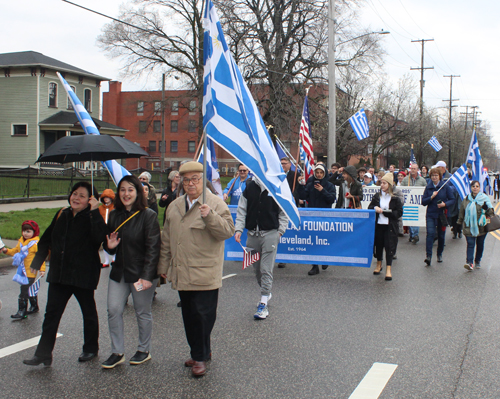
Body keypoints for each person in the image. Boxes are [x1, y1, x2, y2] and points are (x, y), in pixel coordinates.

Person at [158, 162, 234, 378]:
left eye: (195, 179)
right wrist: (163, 265)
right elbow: (166, 238)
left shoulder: (215, 203)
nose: (190, 183)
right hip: (183, 271)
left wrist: (210, 216)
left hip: (205, 272)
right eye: (187, 180)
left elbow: (228, 231)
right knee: (190, 315)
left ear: (203, 180)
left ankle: (199, 357)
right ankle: (201, 351)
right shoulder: (174, 206)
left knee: (203, 316)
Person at [23, 182, 107, 366]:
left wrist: (94, 212)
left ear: (91, 200)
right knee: (51, 314)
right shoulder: (63, 214)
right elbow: (46, 240)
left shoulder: (94, 217)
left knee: (88, 313)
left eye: (82, 195)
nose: (76, 198)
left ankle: (91, 348)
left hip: (82, 274)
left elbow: (98, 239)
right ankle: (43, 353)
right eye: (74, 193)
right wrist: (37, 262)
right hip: (60, 274)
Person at [102, 175, 161, 369]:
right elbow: (110, 245)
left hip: (141, 273)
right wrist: (109, 247)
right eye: (122, 190)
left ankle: (144, 350)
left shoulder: (148, 215)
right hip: (119, 272)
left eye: (130, 190)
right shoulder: (114, 215)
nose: (126, 194)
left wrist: (147, 276)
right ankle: (117, 352)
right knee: (113, 310)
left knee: (142, 311)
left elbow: (153, 249)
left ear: (138, 192)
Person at [235, 176, 288, 320]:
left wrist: (280, 231)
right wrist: (239, 229)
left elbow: (284, 212)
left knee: (266, 268)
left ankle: (263, 303)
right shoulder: (249, 187)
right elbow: (242, 210)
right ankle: (266, 291)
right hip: (252, 235)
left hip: (270, 234)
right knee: (256, 269)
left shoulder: (276, 187)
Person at [2, 220, 46, 319]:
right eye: (24, 231)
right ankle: (34, 307)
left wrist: (42, 269)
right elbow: (15, 251)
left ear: (34, 232)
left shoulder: (35, 244)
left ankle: (22, 311)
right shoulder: (21, 241)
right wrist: (6, 251)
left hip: (31, 271)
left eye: (28, 231)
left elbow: (40, 257)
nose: (25, 234)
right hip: (23, 270)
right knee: (29, 289)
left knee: (24, 291)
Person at [297, 164, 336, 275]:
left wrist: (322, 190)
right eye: (317, 172)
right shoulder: (310, 185)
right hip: (312, 216)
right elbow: (303, 196)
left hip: (325, 216)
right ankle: (314, 266)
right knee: (313, 240)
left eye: (321, 173)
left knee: (324, 239)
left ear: (324, 174)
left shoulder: (329, 185)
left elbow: (331, 199)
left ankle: (324, 258)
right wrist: (300, 185)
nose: (319, 175)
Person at [368, 173, 403, 281]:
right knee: (379, 245)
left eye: (384, 183)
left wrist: (387, 212)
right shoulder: (377, 196)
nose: (382, 185)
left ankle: (388, 268)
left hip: (390, 226)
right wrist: (375, 208)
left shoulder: (395, 198)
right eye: (381, 183)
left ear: (389, 185)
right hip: (379, 225)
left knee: (389, 247)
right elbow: (370, 207)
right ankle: (379, 264)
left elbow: (399, 213)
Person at [457, 181, 494, 271]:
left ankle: (477, 260)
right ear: (471, 188)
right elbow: (462, 212)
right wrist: (459, 223)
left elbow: (492, 213)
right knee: (470, 244)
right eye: (473, 186)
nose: (475, 188)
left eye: (477, 186)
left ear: (480, 188)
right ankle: (469, 263)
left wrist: (487, 208)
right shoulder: (466, 199)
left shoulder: (484, 198)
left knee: (480, 244)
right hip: (469, 226)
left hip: (481, 227)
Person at [421, 167, 455, 266]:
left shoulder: (445, 186)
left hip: (442, 215)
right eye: (432, 175)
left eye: (436, 175)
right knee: (430, 234)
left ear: (439, 176)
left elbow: (452, 199)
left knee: (441, 235)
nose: (434, 177)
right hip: (431, 214)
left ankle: (439, 254)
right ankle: (428, 256)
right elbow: (423, 202)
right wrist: (431, 197)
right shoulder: (428, 187)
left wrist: (445, 204)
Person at [402, 164, 427, 244]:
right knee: (410, 219)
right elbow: (401, 189)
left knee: (416, 219)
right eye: (411, 168)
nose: (412, 170)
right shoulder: (406, 179)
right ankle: (412, 235)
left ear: (417, 170)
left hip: (418, 203)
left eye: (414, 169)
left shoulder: (422, 180)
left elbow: (426, 190)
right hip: (408, 203)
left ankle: (415, 235)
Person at [99, 189, 115, 268]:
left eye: (107, 198)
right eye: (104, 198)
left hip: (112, 228)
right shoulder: (100, 208)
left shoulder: (114, 207)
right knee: (105, 244)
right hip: (103, 228)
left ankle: (114, 258)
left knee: (114, 243)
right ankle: (106, 260)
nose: (106, 199)